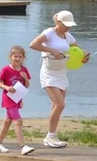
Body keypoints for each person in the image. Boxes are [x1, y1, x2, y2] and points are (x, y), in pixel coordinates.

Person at [29, 10, 89, 148]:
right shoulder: (49, 32)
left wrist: (83, 57)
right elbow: (33, 45)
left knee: (56, 105)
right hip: (49, 72)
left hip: (62, 72)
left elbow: (77, 50)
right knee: (60, 104)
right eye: (66, 24)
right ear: (58, 22)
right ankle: (50, 136)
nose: (68, 27)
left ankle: (52, 136)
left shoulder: (68, 36)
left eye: (70, 25)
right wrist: (52, 51)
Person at [0, 46, 35, 155]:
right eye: (15, 56)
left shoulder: (24, 70)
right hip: (8, 98)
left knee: (8, 121)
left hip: (17, 98)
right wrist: (7, 88)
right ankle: (23, 146)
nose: (17, 59)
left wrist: (25, 77)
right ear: (10, 57)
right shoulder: (6, 69)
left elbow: (26, 86)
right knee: (19, 121)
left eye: (20, 57)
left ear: (23, 58)